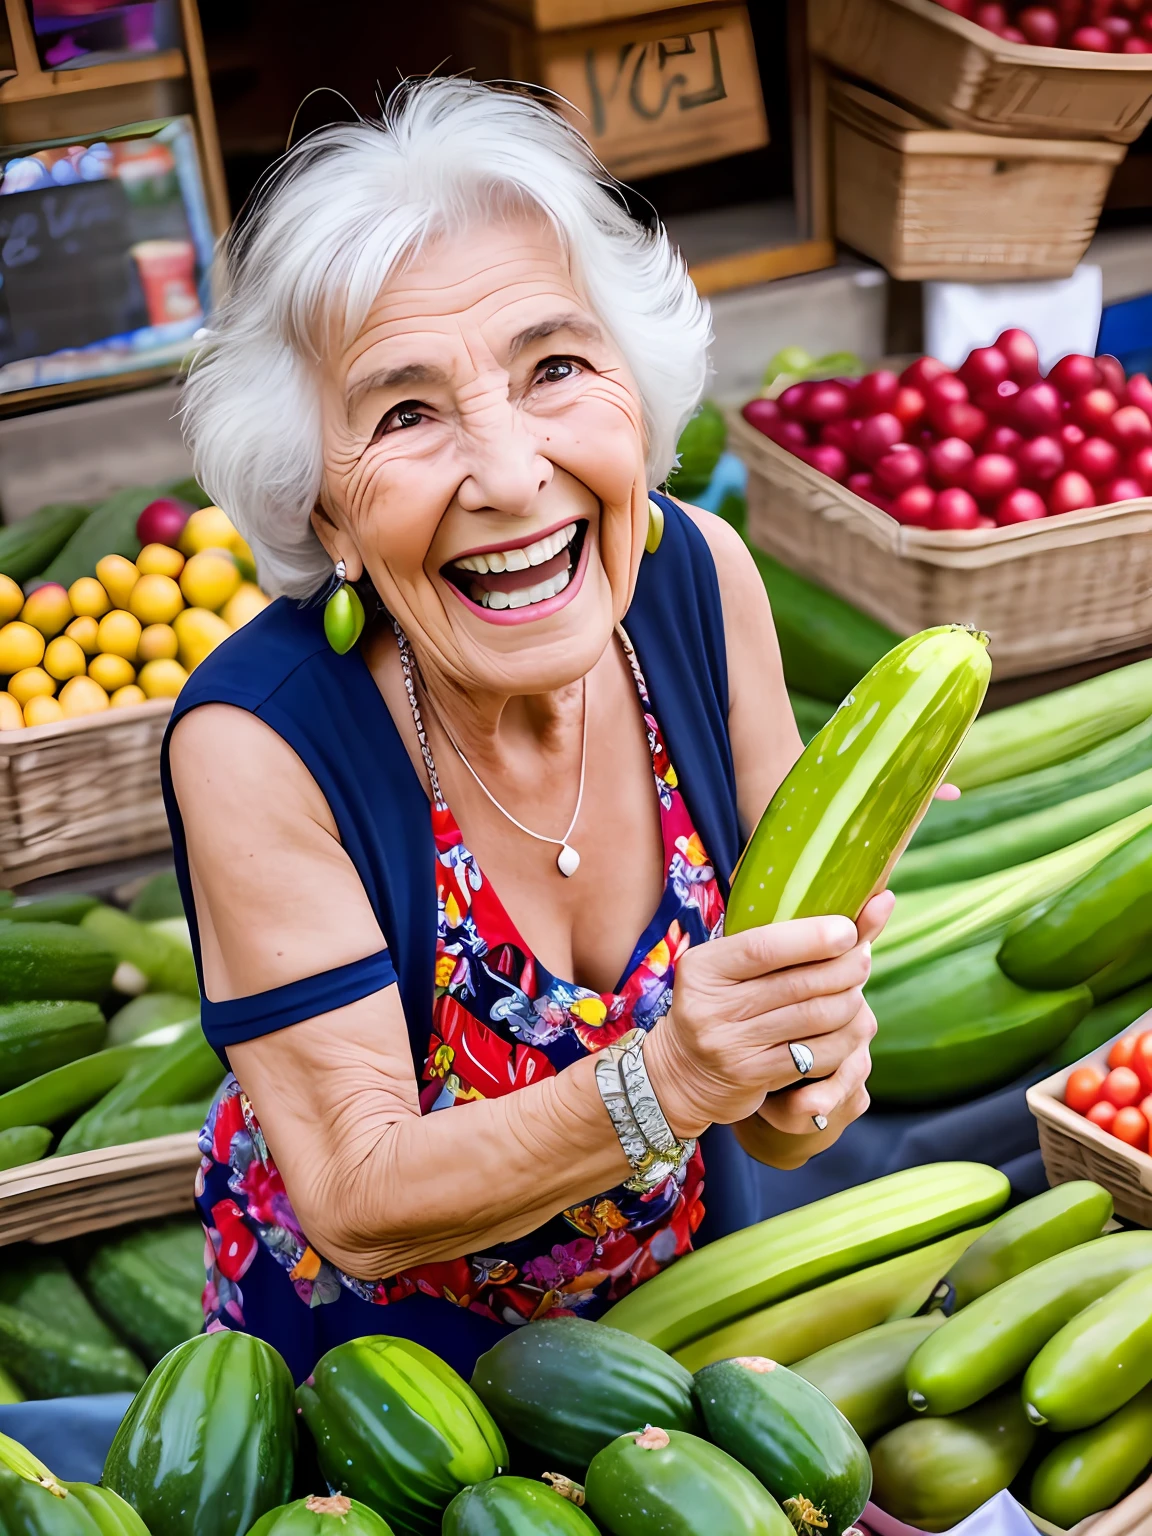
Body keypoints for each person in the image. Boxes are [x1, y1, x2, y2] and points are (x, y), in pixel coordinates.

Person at [166, 77, 891, 1383]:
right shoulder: (260, 740)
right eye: (406, 413)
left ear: (638, 391)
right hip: (381, 1400)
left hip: (672, 1342)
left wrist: (807, 1065)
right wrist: (667, 1079)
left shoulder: (702, 583)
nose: (506, 477)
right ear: (323, 510)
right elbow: (357, 1194)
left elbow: (791, 1107)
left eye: (553, 366)